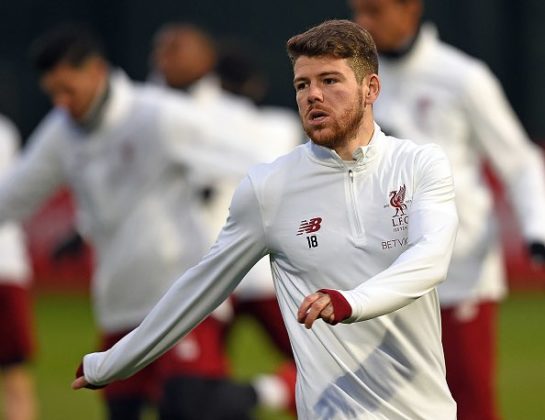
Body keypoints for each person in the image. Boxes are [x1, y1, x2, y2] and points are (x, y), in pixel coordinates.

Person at [73, 19, 460, 419]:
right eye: (302, 85)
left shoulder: (419, 164)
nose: (313, 95)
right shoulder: (269, 187)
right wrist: (112, 362)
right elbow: (198, 289)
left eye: (329, 81)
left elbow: (430, 259)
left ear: (371, 89)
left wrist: (351, 302)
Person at [0, 24, 263, 420]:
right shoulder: (61, 132)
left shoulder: (155, 114)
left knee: (190, 406)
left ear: (96, 71)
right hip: (119, 306)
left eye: (68, 90)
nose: (62, 102)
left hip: (181, 298)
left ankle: (270, 391)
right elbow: (11, 198)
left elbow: (251, 160)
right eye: (53, 93)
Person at [349, 1, 545, 419]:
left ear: (410, 10)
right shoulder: (353, 79)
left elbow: (519, 162)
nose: (362, 22)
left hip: (458, 271)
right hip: (383, 272)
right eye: (358, 11)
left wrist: (537, 226)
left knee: (468, 403)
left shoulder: (462, 77)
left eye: (374, 11)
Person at [151, 23, 302, 413]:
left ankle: (265, 392)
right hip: (249, 268)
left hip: (228, 268)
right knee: (326, 364)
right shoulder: (275, 126)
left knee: (190, 393)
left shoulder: (204, 118)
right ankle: (272, 391)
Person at [0, 114, 36, 420]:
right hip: (8, 267)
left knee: (15, 376)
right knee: (16, 377)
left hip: (6, 267)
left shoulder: (4, 133)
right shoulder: (6, 131)